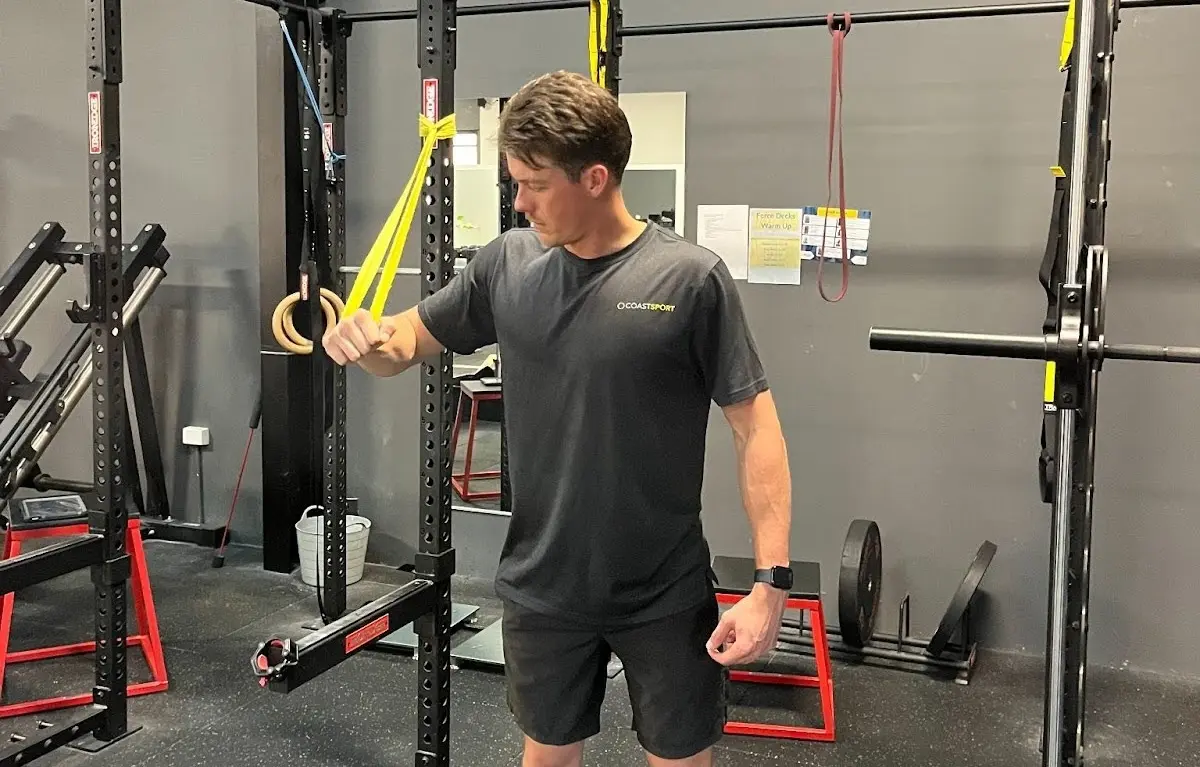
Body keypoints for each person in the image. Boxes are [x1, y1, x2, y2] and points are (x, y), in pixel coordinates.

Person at [322, 70, 794, 767]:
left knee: (680, 759)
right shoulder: (506, 267)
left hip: (662, 589)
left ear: (595, 177)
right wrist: (364, 340)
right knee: (545, 753)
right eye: (515, 182)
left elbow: (756, 428)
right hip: (544, 585)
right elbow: (405, 341)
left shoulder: (689, 280)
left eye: (534, 185)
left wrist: (769, 586)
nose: (519, 202)